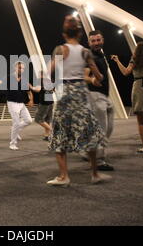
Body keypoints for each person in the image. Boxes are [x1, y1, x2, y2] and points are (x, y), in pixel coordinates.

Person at [47, 15, 110, 186]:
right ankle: (95, 174)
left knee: (60, 133)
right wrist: (96, 77)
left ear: (64, 34)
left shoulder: (61, 50)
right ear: (80, 33)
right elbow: (99, 76)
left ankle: (64, 176)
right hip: (82, 92)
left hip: (66, 91)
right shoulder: (85, 51)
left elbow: (49, 72)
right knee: (88, 131)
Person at [112, 42, 143, 154]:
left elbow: (125, 72)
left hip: (139, 87)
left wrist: (117, 61)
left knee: (141, 121)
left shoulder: (134, 61)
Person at [81, 30, 115, 171]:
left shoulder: (101, 54)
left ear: (102, 40)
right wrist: (92, 79)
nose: (96, 43)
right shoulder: (89, 56)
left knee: (108, 127)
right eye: (93, 41)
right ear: (89, 43)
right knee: (100, 129)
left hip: (103, 95)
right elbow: (84, 76)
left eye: (98, 40)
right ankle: (99, 161)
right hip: (94, 95)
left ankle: (86, 150)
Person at [0, 62, 35, 151]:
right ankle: (12, 144)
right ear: (15, 68)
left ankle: (15, 129)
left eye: (22, 68)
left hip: (21, 104)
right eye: (19, 68)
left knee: (29, 121)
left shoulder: (24, 80)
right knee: (17, 123)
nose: (21, 70)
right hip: (12, 103)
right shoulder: (9, 77)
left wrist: (31, 100)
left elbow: (29, 92)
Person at [33, 71, 54, 141]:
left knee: (38, 119)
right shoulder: (49, 81)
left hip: (44, 102)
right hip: (50, 102)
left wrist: (31, 87)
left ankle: (53, 131)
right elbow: (53, 90)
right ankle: (47, 135)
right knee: (47, 119)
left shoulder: (40, 80)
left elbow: (38, 90)